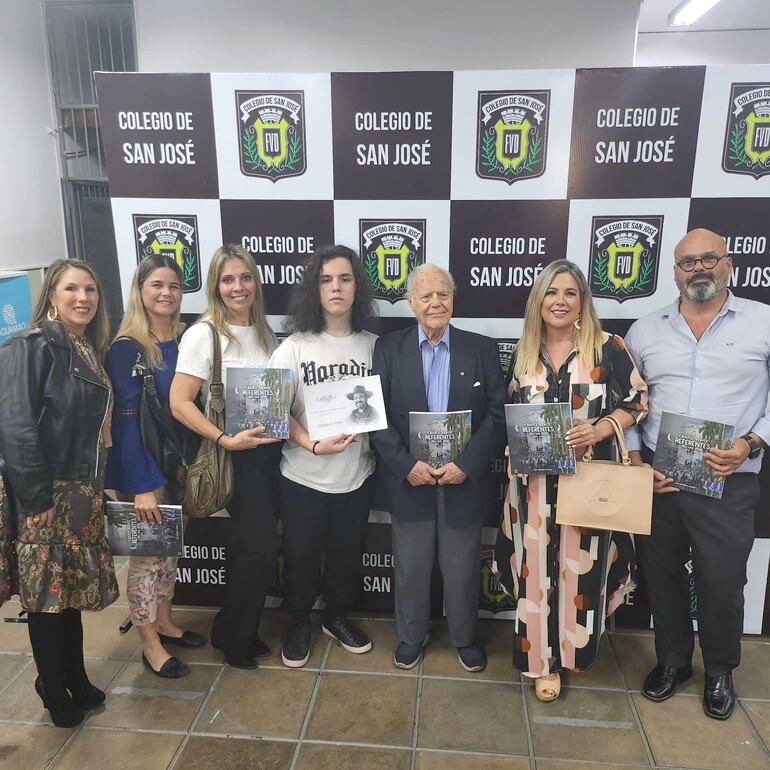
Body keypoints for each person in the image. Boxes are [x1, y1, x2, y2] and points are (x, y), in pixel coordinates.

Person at [625, 228, 770, 719]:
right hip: (660, 482)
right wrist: (636, 461)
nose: (699, 269)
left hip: (730, 481)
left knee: (722, 582)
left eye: (709, 259)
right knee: (662, 577)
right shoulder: (645, 330)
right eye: (688, 262)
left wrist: (751, 442)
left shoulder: (762, 322)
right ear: (674, 272)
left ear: (729, 263)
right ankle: (672, 662)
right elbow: (629, 404)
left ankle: (720, 671)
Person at [494, 259, 648, 701]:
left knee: (580, 571)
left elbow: (639, 400)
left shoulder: (607, 347)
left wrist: (602, 428)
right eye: (552, 292)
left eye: (570, 293)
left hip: (589, 483)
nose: (560, 301)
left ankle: (571, 655)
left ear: (582, 301)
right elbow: (508, 410)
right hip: (534, 487)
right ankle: (541, 664)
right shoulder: (525, 352)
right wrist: (514, 441)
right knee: (536, 573)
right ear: (539, 300)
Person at [0, 259, 119, 727]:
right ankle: (53, 687)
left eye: (90, 289)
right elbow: (15, 427)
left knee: (67, 592)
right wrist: (36, 500)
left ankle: (74, 675)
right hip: (47, 491)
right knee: (45, 598)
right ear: (51, 294)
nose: (83, 297)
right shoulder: (29, 346)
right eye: (71, 288)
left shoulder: (84, 347)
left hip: (80, 492)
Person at [371, 264, 507, 673]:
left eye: (443, 294)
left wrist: (466, 465)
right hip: (408, 480)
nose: (435, 302)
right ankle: (411, 637)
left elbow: (498, 416)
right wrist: (404, 464)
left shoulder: (480, 349)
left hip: (462, 482)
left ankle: (466, 638)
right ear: (411, 303)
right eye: (425, 295)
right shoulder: (388, 349)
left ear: (453, 301)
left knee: (463, 568)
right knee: (411, 568)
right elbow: (373, 415)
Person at [170, 244, 281, 669]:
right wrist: (222, 439)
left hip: (270, 456)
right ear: (216, 287)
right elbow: (179, 403)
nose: (238, 286)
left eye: (245, 277)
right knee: (260, 550)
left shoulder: (267, 331)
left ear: (256, 282)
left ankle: (236, 630)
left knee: (253, 550)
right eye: (228, 279)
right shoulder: (204, 334)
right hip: (235, 456)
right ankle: (235, 639)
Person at [268, 245, 377, 668]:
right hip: (303, 475)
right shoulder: (293, 348)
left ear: (357, 288)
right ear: (314, 289)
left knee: (346, 555)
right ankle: (299, 621)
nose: (336, 288)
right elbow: (273, 412)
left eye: (345, 279)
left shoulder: (374, 347)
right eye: (326, 279)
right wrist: (311, 443)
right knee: (300, 557)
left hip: (357, 476)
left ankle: (335, 616)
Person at [104, 255, 206, 679]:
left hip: (177, 465)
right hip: (143, 471)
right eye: (156, 285)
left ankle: (165, 621)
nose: (166, 293)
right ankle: (148, 642)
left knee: (168, 552)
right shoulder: (127, 348)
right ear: (140, 291)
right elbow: (125, 425)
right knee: (146, 560)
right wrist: (141, 484)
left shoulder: (183, 341)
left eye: (174, 286)